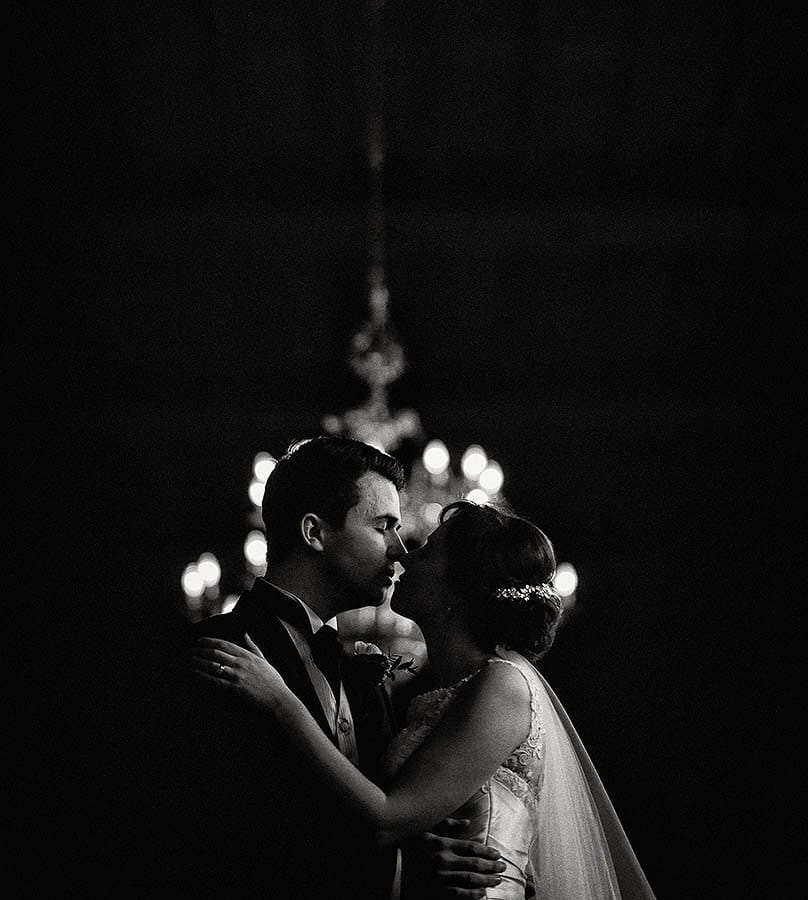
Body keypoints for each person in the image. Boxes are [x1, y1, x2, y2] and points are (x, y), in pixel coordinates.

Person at [192, 499, 657, 900]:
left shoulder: (503, 685)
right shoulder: (433, 690)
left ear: (458, 589)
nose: (403, 555)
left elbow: (387, 817)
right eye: (385, 528)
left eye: (427, 551)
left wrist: (282, 701)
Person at [183, 437, 506, 900]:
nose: (400, 549)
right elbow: (225, 837)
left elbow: (365, 810)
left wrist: (421, 851)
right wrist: (402, 869)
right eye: (383, 526)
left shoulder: (362, 672)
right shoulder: (221, 648)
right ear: (315, 532)